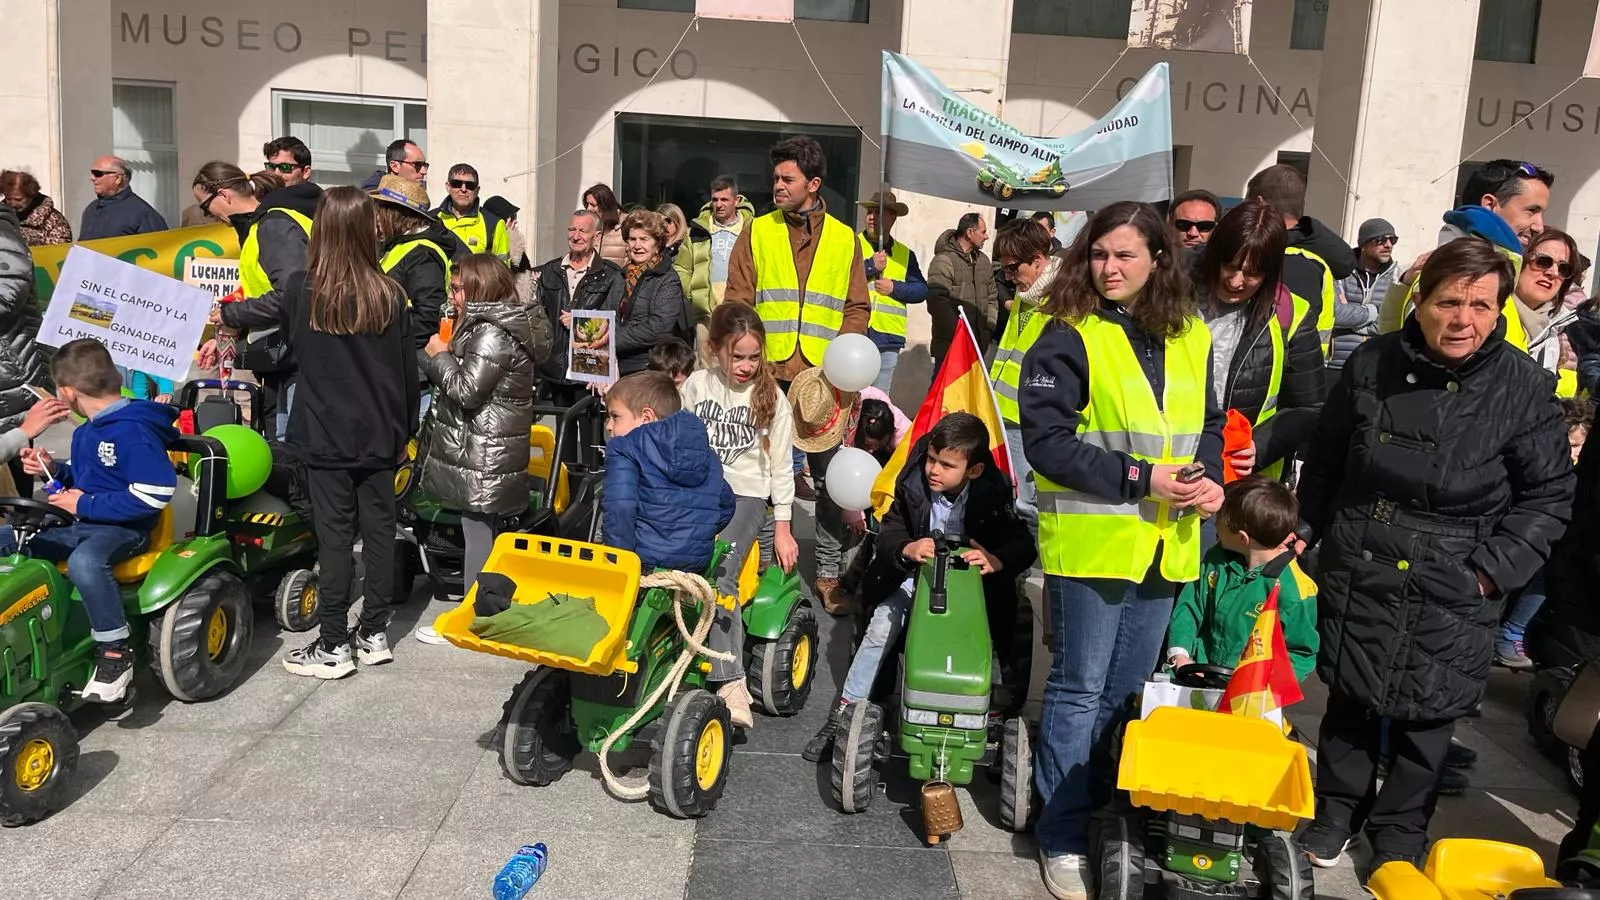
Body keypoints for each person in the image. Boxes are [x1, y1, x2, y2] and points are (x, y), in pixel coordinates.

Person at [1295, 238, 1574, 871]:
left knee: (1430, 713)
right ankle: (1336, 811)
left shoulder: (1524, 387)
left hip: (1457, 567)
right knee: (1351, 695)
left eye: (1480, 305)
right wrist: (1310, 533)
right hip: (1364, 551)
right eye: (1448, 301)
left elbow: (1550, 494)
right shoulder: (1371, 363)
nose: (1463, 320)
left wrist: (1488, 572)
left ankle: (1399, 828)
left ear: (1499, 308)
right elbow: (1329, 456)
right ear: (1419, 303)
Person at [1019, 201, 1225, 900]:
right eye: (1099, 254)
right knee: (1078, 688)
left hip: (1166, 545)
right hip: (1095, 541)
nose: (1109, 268)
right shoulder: (1066, 333)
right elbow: (1046, 446)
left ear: (1160, 260)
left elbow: (1211, 423)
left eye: (1125, 255)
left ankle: (1105, 813)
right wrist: (1143, 478)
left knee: (1127, 692)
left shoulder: (1192, 331)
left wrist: (1216, 482)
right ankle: (1062, 834)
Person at [250, 186, 417, 679]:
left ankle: (332, 643)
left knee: (336, 538)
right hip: (381, 429)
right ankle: (373, 633)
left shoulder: (304, 287)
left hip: (326, 430)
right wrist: (404, 431)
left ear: (322, 229)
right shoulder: (388, 291)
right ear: (368, 228)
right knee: (381, 533)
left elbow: (292, 345)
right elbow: (407, 373)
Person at [801, 412, 1035, 762]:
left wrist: (997, 559)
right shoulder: (912, 485)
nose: (934, 470)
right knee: (881, 625)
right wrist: (906, 549)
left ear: (973, 470)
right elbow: (890, 530)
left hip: (971, 591)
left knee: (995, 638)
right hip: (915, 579)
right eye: (931, 459)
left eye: (946, 465)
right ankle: (845, 714)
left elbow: (1022, 542)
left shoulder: (993, 493)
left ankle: (990, 715)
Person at [14, 339, 177, 703]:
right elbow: (92, 480)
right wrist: (53, 470)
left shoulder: (133, 430)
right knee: (10, 538)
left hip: (126, 530)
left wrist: (83, 503)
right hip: (84, 523)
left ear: (66, 393)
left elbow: (155, 493)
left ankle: (115, 654)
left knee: (84, 562)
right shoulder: (88, 430)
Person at [724, 135, 871, 501]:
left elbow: (857, 307)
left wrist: (843, 364)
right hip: (768, 371)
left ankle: (828, 560)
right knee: (761, 473)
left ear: (813, 184)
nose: (777, 186)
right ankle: (762, 554)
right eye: (776, 178)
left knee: (828, 479)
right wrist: (743, 357)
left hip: (824, 376)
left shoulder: (844, 238)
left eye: (787, 179)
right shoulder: (757, 229)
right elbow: (737, 301)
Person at [680, 303, 799, 726]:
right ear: (715, 349)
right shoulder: (697, 385)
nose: (747, 365)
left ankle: (731, 681)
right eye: (738, 356)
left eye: (754, 356)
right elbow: (679, 439)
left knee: (720, 573)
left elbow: (781, 467)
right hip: (698, 489)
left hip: (746, 495)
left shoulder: (773, 400)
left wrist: (782, 527)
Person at [414, 256, 543, 643]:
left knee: (477, 528)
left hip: (486, 447)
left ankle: (472, 618)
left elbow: (467, 391)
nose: (452, 297)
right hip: (487, 443)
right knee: (479, 527)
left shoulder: (492, 332)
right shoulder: (496, 325)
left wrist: (438, 356)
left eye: (458, 289)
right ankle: (480, 609)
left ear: (479, 289)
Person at [1194, 200, 1324, 482]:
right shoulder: (1170, 297)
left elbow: (1309, 408)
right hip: (1171, 469)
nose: (1236, 281)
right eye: (1230, 266)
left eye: (1252, 273)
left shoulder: (1292, 314)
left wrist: (1260, 446)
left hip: (1240, 481)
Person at [200, 162, 318, 439]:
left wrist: (232, 315)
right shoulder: (260, 225)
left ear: (224, 195)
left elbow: (291, 294)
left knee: (291, 444)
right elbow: (260, 290)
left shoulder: (272, 225)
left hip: (298, 353)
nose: (207, 216)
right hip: (286, 350)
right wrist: (231, 326)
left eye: (205, 207)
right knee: (282, 439)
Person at [1165, 476, 1317, 681]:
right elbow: (1190, 606)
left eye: (1219, 521)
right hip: (1195, 676)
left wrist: (1262, 686)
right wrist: (1180, 655)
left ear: (1242, 538)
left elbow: (1300, 654)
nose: (1215, 526)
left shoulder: (1295, 591)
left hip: (1248, 697)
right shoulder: (1216, 559)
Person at [1380, 160, 1554, 333]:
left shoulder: (1493, 271)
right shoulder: (1453, 271)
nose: (1539, 226)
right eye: (1531, 211)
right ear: (1490, 205)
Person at [989, 219, 1062, 535]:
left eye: (1012, 268)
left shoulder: (1062, 300)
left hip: (1028, 416)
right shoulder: (1028, 291)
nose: (1009, 277)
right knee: (1009, 498)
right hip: (1003, 409)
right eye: (1004, 269)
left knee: (1026, 503)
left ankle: (1026, 572)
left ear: (1037, 258)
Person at [1246, 163, 1357, 358]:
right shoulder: (1318, 254)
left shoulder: (1288, 260)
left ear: (1260, 203)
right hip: (1307, 367)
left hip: (1276, 372)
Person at [370, 175, 456, 418]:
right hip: (398, 363)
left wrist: (387, 339)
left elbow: (428, 314)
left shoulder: (422, 253)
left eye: (380, 209)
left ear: (394, 213)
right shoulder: (398, 246)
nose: (375, 216)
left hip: (413, 369)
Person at [536, 210, 622, 405]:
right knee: (563, 432)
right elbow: (538, 316)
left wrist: (578, 322)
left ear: (597, 236)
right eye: (572, 230)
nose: (576, 236)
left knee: (589, 432)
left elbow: (614, 321)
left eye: (583, 231)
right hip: (555, 369)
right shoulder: (550, 271)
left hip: (590, 371)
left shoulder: (611, 275)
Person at [858, 191, 928, 392]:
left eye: (878, 212)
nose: (871, 217)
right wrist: (871, 266)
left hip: (888, 337)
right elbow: (838, 277)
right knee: (850, 395)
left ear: (892, 218)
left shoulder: (905, 254)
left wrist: (894, 288)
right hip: (856, 330)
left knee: (879, 398)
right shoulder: (852, 243)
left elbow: (921, 290)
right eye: (869, 212)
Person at [1509, 228, 1584, 399]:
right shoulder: (1491, 312)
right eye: (1543, 261)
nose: (1553, 273)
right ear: (1521, 260)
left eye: (1564, 268)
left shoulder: (1555, 334)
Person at [616, 209, 689, 376]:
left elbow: (659, 327)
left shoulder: (666, 278)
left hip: (648, 365)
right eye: (632, 239)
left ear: (657, 244)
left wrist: (612, 339)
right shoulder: (620, 275)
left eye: (644, 239)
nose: (637, 245)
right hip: (615, 363)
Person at [686, 175, 755, 343]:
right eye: (715, 199)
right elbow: (682, 268)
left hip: (740, 309)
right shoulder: (697, 230)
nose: (719, 205)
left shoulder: (752, 229)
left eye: (724, 199)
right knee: (706, 365)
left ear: (736, 200)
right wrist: (694, 293)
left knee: (736, 360)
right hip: (706, 313)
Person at [928, 213, 998, 367]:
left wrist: (989, 327)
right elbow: (936, 302)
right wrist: (960, 335)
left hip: (978, 346)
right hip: (950, 347)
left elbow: (992, 297)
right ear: (969, 232)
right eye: (983, 232)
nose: (986, 237)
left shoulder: (983, 261)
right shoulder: (944, 260)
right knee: (943, 391)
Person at [1330, 218, 1399, 373]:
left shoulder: (1396, 278)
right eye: (1380, 240)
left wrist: (1354, 322)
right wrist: (1372, 312)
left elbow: (1392, 325)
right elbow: (1335, 314)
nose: (1388, 245)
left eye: (1392, 240)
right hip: (1336, 365)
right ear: (1363, 245)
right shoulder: (1340, 273)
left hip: (1376, 368)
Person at [80, 156, 167, 240]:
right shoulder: (91, 209)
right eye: (92, 173)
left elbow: (161, 249)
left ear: (118, 178)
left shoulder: (143, 214)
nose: (92, 178)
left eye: (98, 174)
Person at [436, 163, 510, 261]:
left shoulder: (494, 225)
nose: (463, 189)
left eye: (470, 185)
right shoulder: (432, 220)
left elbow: (502, 271)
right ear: (448, 187)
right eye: (457, 184)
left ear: (477, 190)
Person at [0, 170, 72, 246]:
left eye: (18, 199)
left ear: (31, 195)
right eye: (8, 199)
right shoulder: (3, 217)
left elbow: (59, 253)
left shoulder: (54, 222)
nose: (13, 204)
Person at [583, 183, 627, 269]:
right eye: (587, 204)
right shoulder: (591, 225)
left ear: (605, 205)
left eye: (592, 205)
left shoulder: (626, 224)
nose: (588, 209)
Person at [361, 139, 427, 191]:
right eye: (417, 165)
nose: (424, 172)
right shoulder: (370, 203)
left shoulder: (418, 198)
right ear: (394, 166)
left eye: (425, 165)